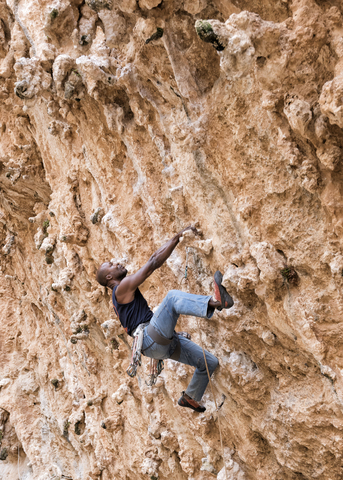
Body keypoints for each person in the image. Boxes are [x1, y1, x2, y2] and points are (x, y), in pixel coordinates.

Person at [96, 226, 234, 412]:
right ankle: (216, 302)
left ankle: (190, 398)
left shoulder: (120, 293)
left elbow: (152, 261)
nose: (117, 263)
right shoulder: (120, 289)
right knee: (172, 299)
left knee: (209, 363)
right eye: (112, 265)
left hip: (158, 347)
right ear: (109, 276)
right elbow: (152, 262)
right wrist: (176, 238)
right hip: (152, 339)